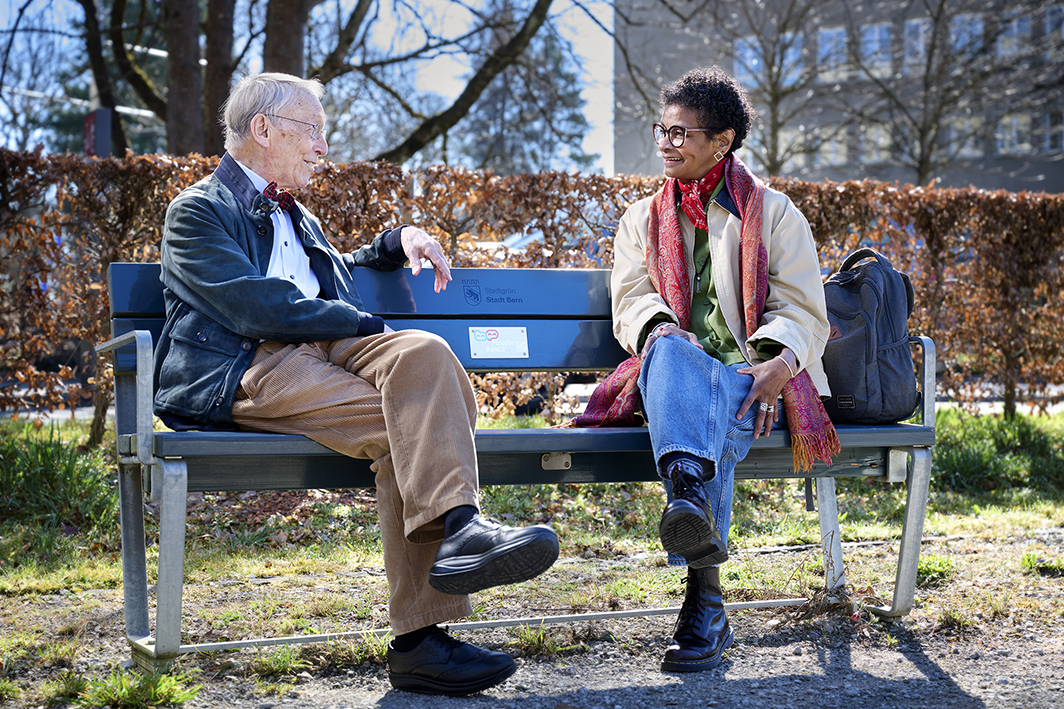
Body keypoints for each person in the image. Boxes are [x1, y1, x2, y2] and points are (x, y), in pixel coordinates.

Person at [154, 72, 559, 696]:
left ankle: (460, 535)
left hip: (327, 348)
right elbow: (256, 306)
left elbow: (332, 279)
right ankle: (423, 634)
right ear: (264, 129)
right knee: (413, 424)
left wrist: (397, 241)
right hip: (252, 363)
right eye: (312, 130)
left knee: (424, 353)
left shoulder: (299, 215)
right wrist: (359, 321)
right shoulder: (198, 211)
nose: (323, 147)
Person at [572, 66, 839, 672]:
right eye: (661, 131)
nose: (665, 144)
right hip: (676, 378)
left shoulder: (772, 213)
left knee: (708, 411)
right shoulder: (642, 218)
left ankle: (692, 528)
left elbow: (801, 307)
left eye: (680, 133)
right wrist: (664, 330)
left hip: (752, 382)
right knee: (667, 349)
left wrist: (777, 364)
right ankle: (704, 593)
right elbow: (633, 300)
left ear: (722, 141)